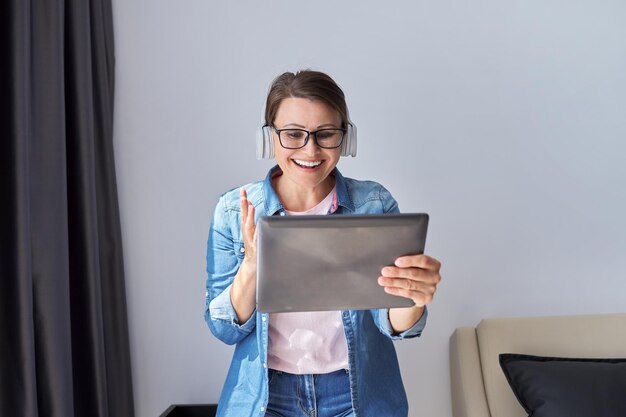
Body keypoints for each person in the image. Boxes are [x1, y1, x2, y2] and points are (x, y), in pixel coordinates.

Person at [205, 70, 442, 417]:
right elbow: (224, 329)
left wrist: (414, 298)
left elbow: (391, 322)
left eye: (326, 134)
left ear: (346, 138)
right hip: (267, 398)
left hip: (355, 396)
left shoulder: (373, 205)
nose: (310, 149)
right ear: (268, 137)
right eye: (293, 134)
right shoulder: (233, 210)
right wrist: (253, 266)